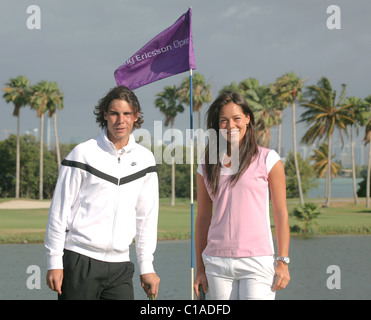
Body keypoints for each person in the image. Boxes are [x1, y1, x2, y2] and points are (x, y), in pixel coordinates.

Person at [45, 86, 160, 300]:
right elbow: (59, 212)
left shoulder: (146, 160)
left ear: (136, 117)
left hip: (120, 267)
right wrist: (54, 262)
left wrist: (146, 266)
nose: (120, 120)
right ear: (105, 114)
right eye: (114, 113)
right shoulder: (82, 154)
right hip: (80, 260)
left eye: (127, 114)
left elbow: (146, 218)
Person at [194, 91, 290, 300]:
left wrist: (283, 261)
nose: (230, 126)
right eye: (223, 121)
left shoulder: (268, 159)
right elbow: (203, 218)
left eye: (236, 118)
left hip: (257, 260)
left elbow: (281, 212)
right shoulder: (206, 165)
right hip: (216, 262)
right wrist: (200, 269)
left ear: (247, 118)